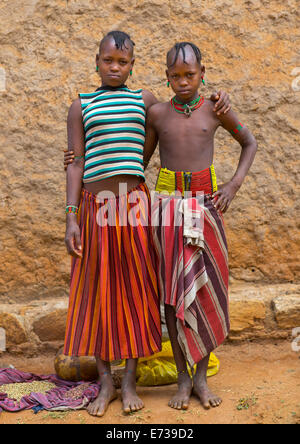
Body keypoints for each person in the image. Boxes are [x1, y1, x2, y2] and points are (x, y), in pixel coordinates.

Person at [63, 32, 231, 417]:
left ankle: (130, 381)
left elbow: (175, 120)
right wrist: (71, 217)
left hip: (136, 204)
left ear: (133, 65)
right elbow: (76, 162)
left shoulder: (145, 102)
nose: (115, 68)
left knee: (138, 289)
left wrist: (220, 98)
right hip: (96, 206)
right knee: (98, 289)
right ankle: (106, 383)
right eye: (108, 61)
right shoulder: (80, 106)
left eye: (122, 62)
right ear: (97, 61)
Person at [143, 42, 257, 411]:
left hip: (206, 207)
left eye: (189, 75)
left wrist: (233, 185)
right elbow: (138, 160)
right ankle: (181, 379)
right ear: (166, 77)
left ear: (202, 73)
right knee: (172, 294)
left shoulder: (216, 108)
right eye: (175, 76)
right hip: (167, 210)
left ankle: (201, 381)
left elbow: (249, 142)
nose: (183, 82)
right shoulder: (157, 114)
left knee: (206, 290)